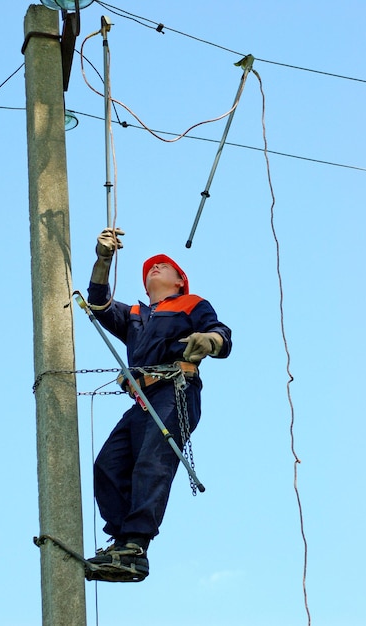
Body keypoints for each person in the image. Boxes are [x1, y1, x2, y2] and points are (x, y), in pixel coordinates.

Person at [85, 227, 232, 582]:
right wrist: (103, 259)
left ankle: (136, 545)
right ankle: (121, 544)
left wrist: (208, 340)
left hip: (175, 390)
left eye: (163, 266)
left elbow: (221, 334)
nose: (154, 268)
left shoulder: (192, 303)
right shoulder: (137, 314)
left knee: (153, 459)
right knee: (108, 464)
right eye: (150, 266)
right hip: (143, 399)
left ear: (180, 281)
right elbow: (99, 304)